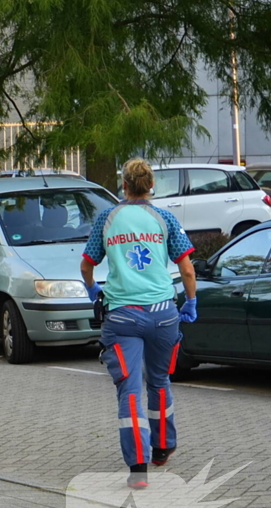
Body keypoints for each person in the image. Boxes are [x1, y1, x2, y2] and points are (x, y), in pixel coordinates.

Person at [80, 158, 198, 489]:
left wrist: (93, 290)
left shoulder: (108, 217)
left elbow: (87, 264)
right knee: (159, 381)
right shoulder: (164, 218)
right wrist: (190, 301)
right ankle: (163, 447)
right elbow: (187, 268)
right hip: (163, 313)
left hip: (122, 317)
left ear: (124, 186)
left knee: (129, 389)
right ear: (151, 186)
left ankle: (138, 469)